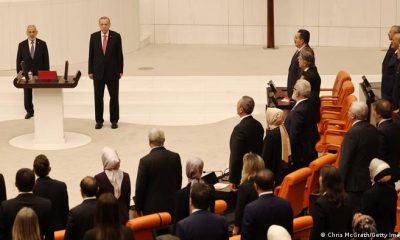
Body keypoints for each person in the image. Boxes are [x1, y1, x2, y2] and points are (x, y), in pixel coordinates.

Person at [339, 101, 379, 212]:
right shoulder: (373, 129)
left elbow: (345, 162)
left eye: (349, 111)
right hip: (370, 180)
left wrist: (339, 185)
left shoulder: (352, 134)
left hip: (354, 185)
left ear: (353, 116)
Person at [135, 128, 182, 218]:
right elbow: (178, 181)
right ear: (164, 141)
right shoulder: (175, 157)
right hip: (171, 207)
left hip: (151, 210)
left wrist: (138, 208)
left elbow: (140, 187)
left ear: (149, 142)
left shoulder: (145, 161)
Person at [89, 16, 124, 129]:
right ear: (99, 25)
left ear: (109, 25)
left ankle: (114, 120)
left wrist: (120, 70)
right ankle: (99, 121)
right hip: (98, 72)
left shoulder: (116, 36)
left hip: (112, 73)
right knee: (98, 97)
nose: (104, 26)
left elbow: (120, 54)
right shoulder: (94, 37)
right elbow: (91, 55)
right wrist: (90, 70)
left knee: (114, 97)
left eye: (106, 24)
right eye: (102, 24)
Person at [0, 168, 53, 240]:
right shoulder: (46, 205)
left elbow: (2, 235)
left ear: (16, 184)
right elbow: (49, 235)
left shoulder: (6, 206)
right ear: (35, 184)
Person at [241, 169, 293, 240]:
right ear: (274, 183)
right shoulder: (286, 204)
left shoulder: (250, 208)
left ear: (255, 186)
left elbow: (245, 237)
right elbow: (289, 232)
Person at [229, 96, 264, 187]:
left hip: (243, 175)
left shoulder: (239, 129)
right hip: (257, 172)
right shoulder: (258, 125)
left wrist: (232, 179)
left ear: (241, 109)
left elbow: (235, 156)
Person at [310, 165, 353, 240]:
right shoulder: (348, 199)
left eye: (321, 176)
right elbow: (349, 229)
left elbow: (317, 233)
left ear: (324, 182)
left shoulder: (320, 204)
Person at [284, 79, 319, 171]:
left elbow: (294, 137)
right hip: (310, 149)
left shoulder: (298, 112)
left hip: (300, 156)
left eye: (294, 89)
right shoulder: (309, 105)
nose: (293, 90)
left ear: (297, 93)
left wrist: (289, 156)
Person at [16, 25, 49, 119]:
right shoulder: (21, 45)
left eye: (33, 31)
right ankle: (29, 111)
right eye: (29, 32)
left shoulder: (42, 44)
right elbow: (18, 60)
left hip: (40, 73)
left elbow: (46, 60)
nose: (31, 34)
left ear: (36, 32)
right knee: (27, 93)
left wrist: (46, 74)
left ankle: (41, 110)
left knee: (41, 93)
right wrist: (19, 75)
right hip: (27, 74)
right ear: (27, 32)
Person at [173, 157, 215, 232]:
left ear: (187, 171)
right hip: (210, 229)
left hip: (188, 231)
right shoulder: (210, 188)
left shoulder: (181, 194)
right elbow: (212, 211)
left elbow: (178, 221)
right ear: (201, 171)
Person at [32, 154, 69, 230]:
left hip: (40, 231)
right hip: (58, 230)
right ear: (49, 169)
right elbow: (65, 211)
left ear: (34, 171)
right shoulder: (61, 186)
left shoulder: (33, 188)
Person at [95, 147, 131, 224]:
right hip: (123, 216)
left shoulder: (99, 178)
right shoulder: (126, 176)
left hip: (106, 218)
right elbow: (127, 199)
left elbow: (98, 201)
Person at [361, 158, 397, 236]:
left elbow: (366, 218)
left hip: (373, 232)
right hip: (388, 229)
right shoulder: (393, 191)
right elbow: (393, 215)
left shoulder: (369, 194)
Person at [232, 153, 265, 236]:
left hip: (248, 228)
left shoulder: (244, 187)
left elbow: (239, 211)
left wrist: (235, 230)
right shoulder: (265, 182)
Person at [372, 99, 400, 183]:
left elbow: (380, 155)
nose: (372, 113)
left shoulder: (380, 131)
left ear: (379, 114)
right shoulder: (397, 125)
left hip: (385, 174)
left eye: (373, 111)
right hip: (396, 169)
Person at [262, 107, 291, 184]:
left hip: (273, 173)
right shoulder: (282, 129)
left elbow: (265, 158)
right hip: (282, 170)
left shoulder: (270, 136)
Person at [299, 47, 321, 123]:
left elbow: (300, 91)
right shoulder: (310, 71)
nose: (298, 59)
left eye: (300, 58)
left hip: (309, 110)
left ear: (305, 62)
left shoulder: (309, 76)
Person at [287, 29, 310, 98]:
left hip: (297, 92)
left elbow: (302, 74)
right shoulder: (299, 50)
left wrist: (296, 89)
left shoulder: (305, 53)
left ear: (302, 41)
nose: (294, 40)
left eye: (296, 38)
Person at [382, 26, 400, 102]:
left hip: (392, 95)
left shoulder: (397, 56)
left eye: (390, 32)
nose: (388, 34)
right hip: (386, 91)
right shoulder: (393, 48)